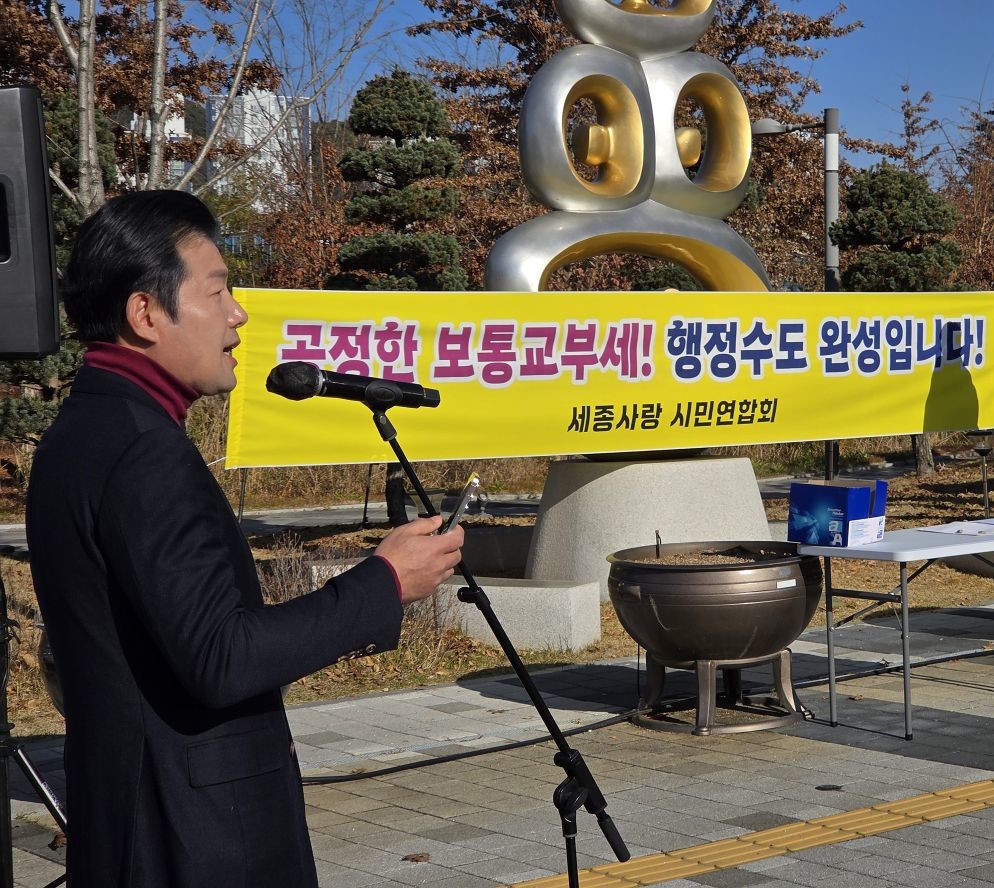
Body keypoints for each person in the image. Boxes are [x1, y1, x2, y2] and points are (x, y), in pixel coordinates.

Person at [25, 190, 464, 888]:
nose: (239, 314)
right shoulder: (143, 450)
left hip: (132, 818)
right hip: (196, 835)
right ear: (145, 313)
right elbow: (220, 657)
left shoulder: (79, 432)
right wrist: (383, 583)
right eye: (218, 291)